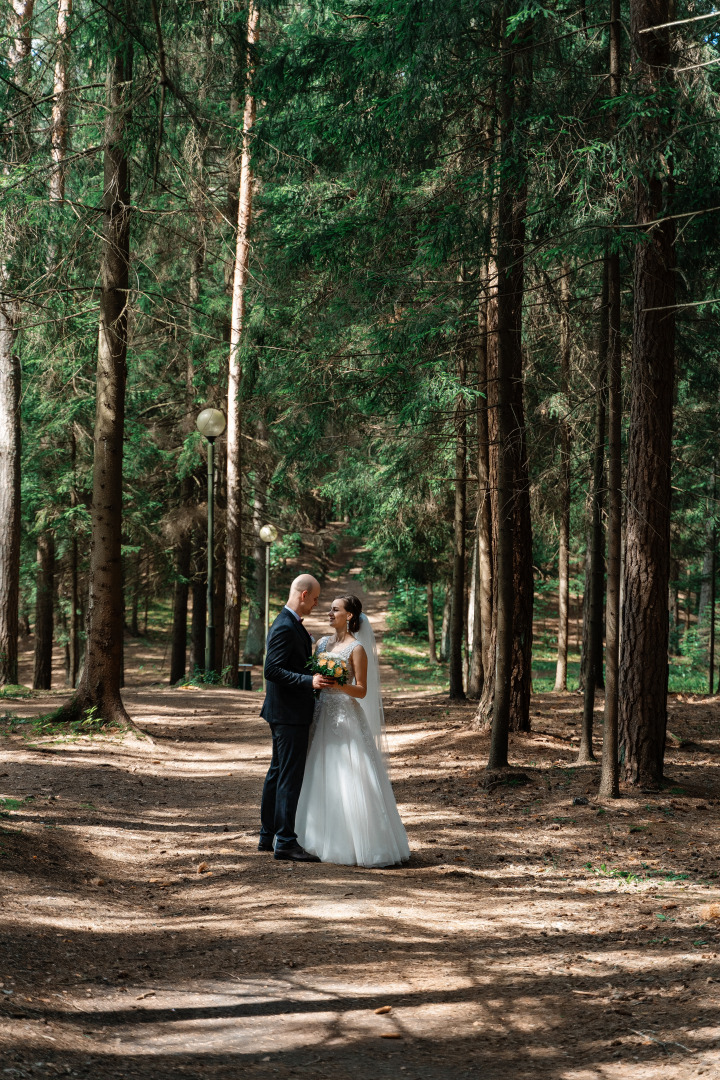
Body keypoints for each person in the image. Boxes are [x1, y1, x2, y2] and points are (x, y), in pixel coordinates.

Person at [295, 594, 410, 868]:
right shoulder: (321, 643)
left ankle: (359, 843)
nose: (329, 613)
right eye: (329, 609)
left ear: (349, 615)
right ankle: (315, 837)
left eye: (335, 610)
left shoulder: (357, 648)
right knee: (318, 771)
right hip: (322, 713)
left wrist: (338, 684)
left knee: (349, 775)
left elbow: (362, 690)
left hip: (345, 715)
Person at [259, 574, 335, 862]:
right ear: (303, 595)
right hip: (288, 714)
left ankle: (268, 836)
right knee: (289, 777)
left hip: (284, 712)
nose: (316, 605)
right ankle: (286, 842)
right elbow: (272, 670)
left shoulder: (289, 623)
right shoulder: (285, 626)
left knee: (277, 774)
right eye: (315, 599)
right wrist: (309, 681)